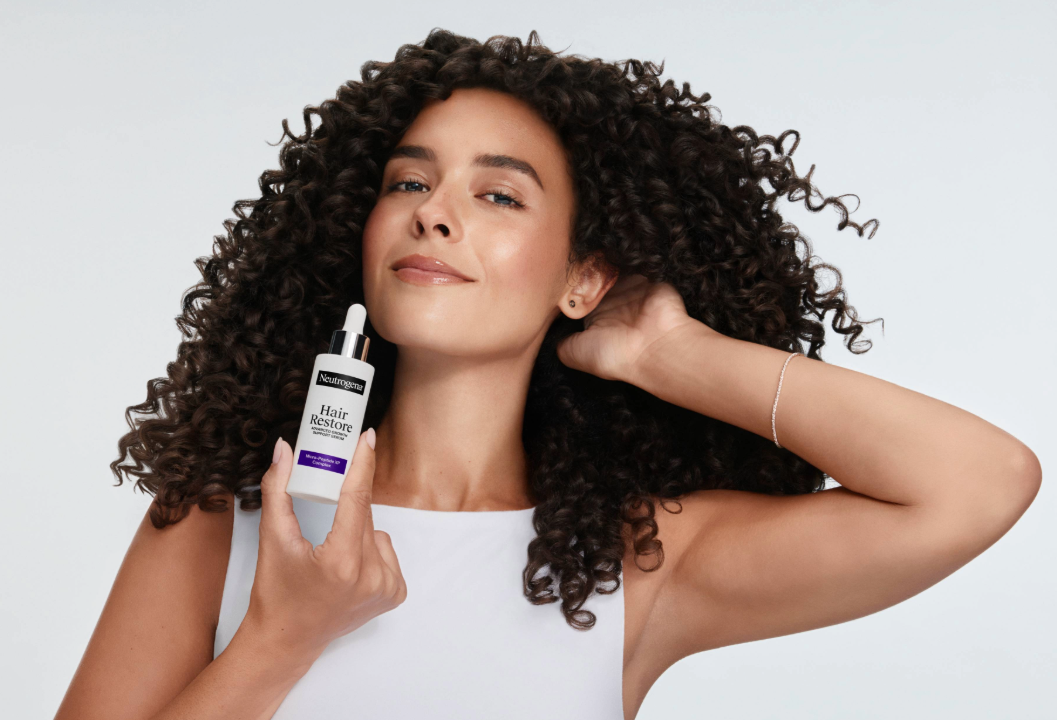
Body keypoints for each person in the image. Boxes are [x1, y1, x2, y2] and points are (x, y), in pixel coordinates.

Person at [55, 29, 1042, 720]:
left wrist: (669, 354)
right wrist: (282, 637)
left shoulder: (636, 562)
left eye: (498, 195)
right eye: (409, 181)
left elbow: (978, 485)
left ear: (583, 278)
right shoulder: (223, 520)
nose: (434, 213)